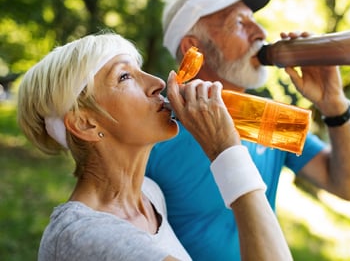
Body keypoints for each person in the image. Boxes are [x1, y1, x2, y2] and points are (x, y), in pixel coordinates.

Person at [17, 32, 293, 261]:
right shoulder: (85, 237)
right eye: (125, 77)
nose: (158, 83)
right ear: (86, 124)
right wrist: (226, 150)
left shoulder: (151, 196)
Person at [146, 0, 350, 260]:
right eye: (240, 23)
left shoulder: (270, 118)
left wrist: (335, 106)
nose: (261, 32)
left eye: (254, 20)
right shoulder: (152, 129)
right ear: (193, 48)